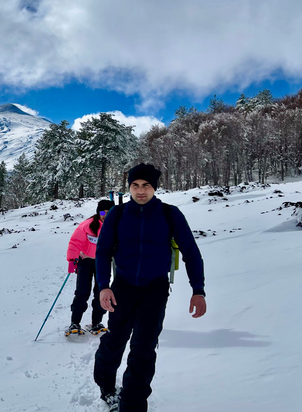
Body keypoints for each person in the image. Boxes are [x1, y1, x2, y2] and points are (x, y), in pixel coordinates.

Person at [93, 163, 207, 412]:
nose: (140, 191)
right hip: (122, 287)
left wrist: (197, 290)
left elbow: (191, 252)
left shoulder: (170, 213)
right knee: (115, 341)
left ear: (155, 187)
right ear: (129, 187)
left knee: (144, 349)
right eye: (135, 185)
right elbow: (102, 252)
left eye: (146, 185)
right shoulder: (117, 214)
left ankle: (132, 405)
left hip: (155, 289)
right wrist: (104, 286)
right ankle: (107, 387)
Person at [65, 199, 115, 335]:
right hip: (86, 261)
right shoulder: (87, 225)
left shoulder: (115, 226)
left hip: (103, 263)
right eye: (103, 212)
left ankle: (96, 323)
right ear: (98, 212)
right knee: (82, 292)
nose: (106, 215)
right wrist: (72, 259)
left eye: (109, 212)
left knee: (101, 293)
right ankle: (74, 322)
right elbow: (75, 242)